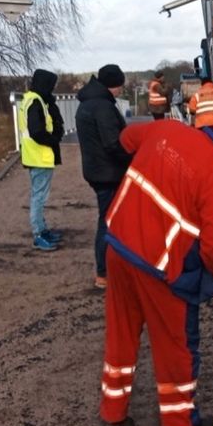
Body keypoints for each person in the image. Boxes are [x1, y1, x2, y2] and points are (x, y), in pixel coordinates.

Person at [98, 115, 213, 426]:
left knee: (121, 332)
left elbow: (127, 140)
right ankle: (179, 425)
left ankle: (112, 414)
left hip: (118, 246)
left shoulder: (168, 129)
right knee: (175, 344)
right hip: (160, 265)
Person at [75, 64, 132, 290]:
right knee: (109, 221)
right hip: (108, 173)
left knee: (109, 219)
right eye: (119, 86)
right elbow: (112, 143)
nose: (120, 91)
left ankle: (111, 269)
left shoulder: (87, 104)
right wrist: (131, 158)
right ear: (113, 84)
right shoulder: (103, 107)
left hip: (96, 170)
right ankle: (104, 273)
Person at [18, 68, 64, 251]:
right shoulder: (36, 102)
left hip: (35, 155)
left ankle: (42, 230)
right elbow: (37, 131)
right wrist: (52, 140)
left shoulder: (30, 99)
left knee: (39, 195)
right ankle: (38, 234)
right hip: (40, 156)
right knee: (39, 197)